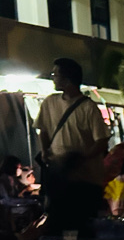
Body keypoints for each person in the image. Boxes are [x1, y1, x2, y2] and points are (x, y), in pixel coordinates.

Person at [36, 57, 109, 193]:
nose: (53, 78)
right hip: (58, 175)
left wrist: (80, 160)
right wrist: (45, 151)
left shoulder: (89, 108)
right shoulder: (49, 103)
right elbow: (44, 131)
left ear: (67, 79)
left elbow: (102, 141)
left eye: (55, 75)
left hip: (85, 179)